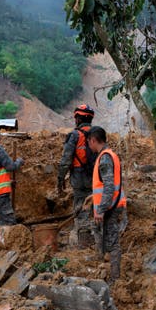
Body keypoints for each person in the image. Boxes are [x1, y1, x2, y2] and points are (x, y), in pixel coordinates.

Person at [87, 126, 127, 283]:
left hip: (111, 207)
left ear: (93, 140)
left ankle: (115, 279)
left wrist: (101, 209)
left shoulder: (104, 158)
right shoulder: (109, 155)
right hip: (113, 205)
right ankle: (107, 269)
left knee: (113, 242)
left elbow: (109, 187)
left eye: (89, 142)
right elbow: (105, 185)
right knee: (107, 238)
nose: (88, 146)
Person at [58, 104, 96, 248]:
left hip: (79, 178)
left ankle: (85, 243)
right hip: (95, 178)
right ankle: (96, 239)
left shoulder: (74, 135)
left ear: (79, 119)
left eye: (76, 118)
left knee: (81, 208)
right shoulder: (97, 133)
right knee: (95, 206)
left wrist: (60, 178)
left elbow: (66, 160)